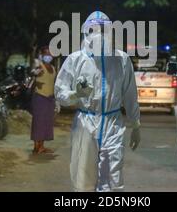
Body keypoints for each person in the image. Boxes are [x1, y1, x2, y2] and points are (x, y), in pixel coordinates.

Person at [54, 11, 141, 192]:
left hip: (113, 124)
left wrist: (135, 124)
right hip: (85, 123)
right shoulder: (75, 60)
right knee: (83, 177)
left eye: (103, 29)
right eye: (93, 29)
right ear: (86, 32)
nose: (98, 34)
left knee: (113, 178)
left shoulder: (121, 60)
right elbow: (60, 94)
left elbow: (130, 94)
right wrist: (75, 94)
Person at [30, 46, 57, 154]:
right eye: (46, 54)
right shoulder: (39, 66)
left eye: (50, 54)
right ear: (42, 55)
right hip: (40, 97)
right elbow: (33, 72)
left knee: (46, 122)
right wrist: (35, 72)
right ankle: (36, 146)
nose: (48, 56)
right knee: (38, 121)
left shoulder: (53, 68)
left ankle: (42, 146)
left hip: (50, 98)